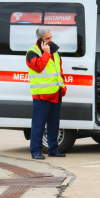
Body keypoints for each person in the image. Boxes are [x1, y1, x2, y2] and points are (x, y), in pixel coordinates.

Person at [26, 27, 66, 160]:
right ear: (40, 39)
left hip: (55, 92)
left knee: (54, 124)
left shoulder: (54, 51)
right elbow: (38, 67)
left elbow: (58, 70)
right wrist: (46, 53)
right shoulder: (32, 52)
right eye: (47, 38)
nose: (50, 40)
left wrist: (62, 86)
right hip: (41, 95)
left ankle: (53, 149)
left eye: (51, 37)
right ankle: (35, 151)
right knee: (38, 124)